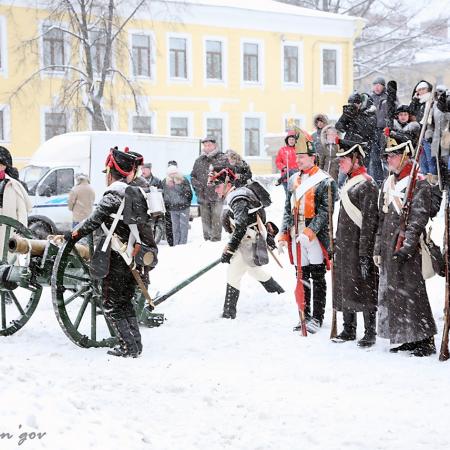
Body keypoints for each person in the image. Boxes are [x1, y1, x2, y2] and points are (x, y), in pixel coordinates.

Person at [65, 148, 157, 358]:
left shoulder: (114, 193)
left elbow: (94, 220)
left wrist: (73, 235)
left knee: (111, 304)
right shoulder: (136, 193)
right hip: (133, 258)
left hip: (115, 259)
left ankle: (127, 347)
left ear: (110, 172)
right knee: (125, 303)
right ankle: (135, 345)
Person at [374, 136, 437, 357]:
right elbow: (382, 219)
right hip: (389, 246)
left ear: (405, 156)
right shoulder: (388, 183)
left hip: (408, 249)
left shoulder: (418, 182)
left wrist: (407, 247)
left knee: (413, 294)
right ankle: (407, 337)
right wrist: (378, 248)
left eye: (393, 155)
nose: (389, 159)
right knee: (396, 295)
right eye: (388, 155)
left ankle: (425, 339)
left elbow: (418, 219)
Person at [278, 131, 338, 333]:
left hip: (314, 235)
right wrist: (284, 233)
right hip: (297, 233)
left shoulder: (325, 181)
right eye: (297, 157)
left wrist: (311, 231)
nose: (298, 161)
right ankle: (305, 314)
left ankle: (318, 317)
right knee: (301, 275)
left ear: (312, 157)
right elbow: (288, 208)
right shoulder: (294, 179)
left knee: (317, 276)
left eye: (302, 157)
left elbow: (325, 211)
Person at [208, 166, 284, 319]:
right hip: (247, 238)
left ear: (228, 184)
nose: (216, 190)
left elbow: (241, 225)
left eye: (218, 186)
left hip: (248, 239)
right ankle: (277, 292)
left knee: (233, 274)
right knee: (252, 269)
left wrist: (230, 249)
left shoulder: (238, 197)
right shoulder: (236, 194)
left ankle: (228, 313)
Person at [332, 139, 379, 347]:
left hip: (359, 246)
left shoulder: (366, 184)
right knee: (346, 285)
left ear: (355, 159)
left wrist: (364, 253)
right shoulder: (349, 182)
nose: (340, 163)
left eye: (344, 159)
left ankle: (370, 331)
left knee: (365, 287)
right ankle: (348, 328)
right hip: (344, 245)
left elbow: (369, 222)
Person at [336, 92, 380, 183]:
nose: (353, 106)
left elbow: (365, 130)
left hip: (361, 152)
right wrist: (345, 116)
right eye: (350, 104)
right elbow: (339, 127)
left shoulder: (369, 114)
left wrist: (355, 116)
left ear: (360, 104)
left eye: (355, 104)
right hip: (348, 150)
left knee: (360, 179)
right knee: (342, 179)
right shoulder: (351, 114)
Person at [191, 136, 228, 241]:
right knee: (205, 219)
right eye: (205, 145)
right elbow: (193, 176)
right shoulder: (199, 160)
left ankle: (215, 239)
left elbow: (228, 175)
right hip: (203, 195)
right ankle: (207, 239)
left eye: (209, 145)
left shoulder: (222, 158)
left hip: (217, 195)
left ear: (215, 145)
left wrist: (219, 185)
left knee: (216, 218)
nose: (207, 147)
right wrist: (198, 187)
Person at [0, 146, 32, 255]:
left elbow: (22, 210)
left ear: (4, 166)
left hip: (8, 229)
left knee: (7, 257)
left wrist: (21, 231)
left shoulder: (13, 185)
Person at [409, 80, 437, 178]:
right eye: (419, 90)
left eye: (423, 89)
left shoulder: (432, 100)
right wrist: (414, 100)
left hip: (429, 134)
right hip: (420, 135)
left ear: (428, 89)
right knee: (422, 159)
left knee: (430, 159)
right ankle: (425, 178)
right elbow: (410, 112)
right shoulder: (418, 103)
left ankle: (433, 178)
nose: (421, 91)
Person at [162, 165, 193, 245]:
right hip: (173, 208)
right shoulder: (165, 182)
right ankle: (176, 244)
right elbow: (164, 195)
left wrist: (177, 186)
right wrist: (168, 205)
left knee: (183, 227)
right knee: (175, 228)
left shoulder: (183, 180)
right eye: (170, 174)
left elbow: (188, 193)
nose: (172, 175)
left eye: (174, 173)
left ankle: (182, 244)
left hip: (184, 207)